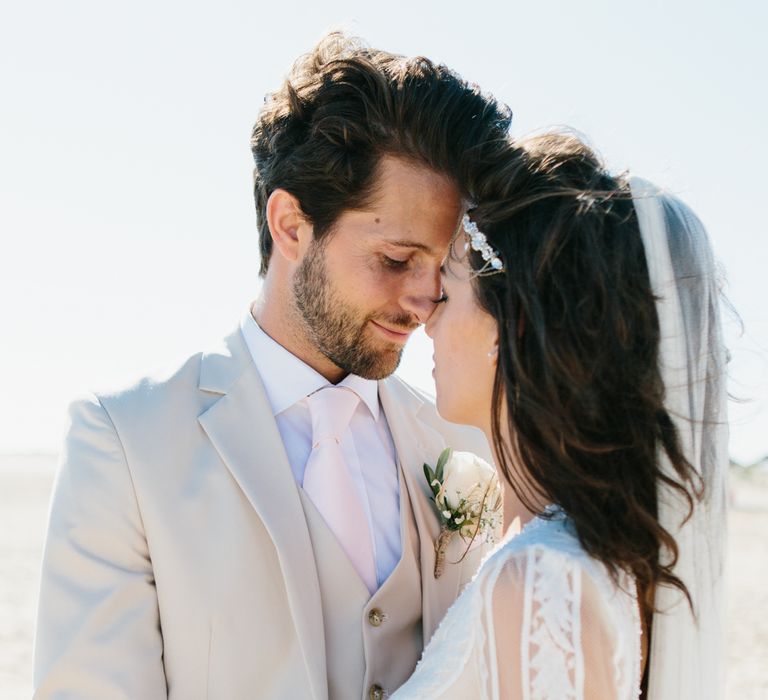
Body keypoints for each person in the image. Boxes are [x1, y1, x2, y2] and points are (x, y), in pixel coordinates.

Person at [32, 34, 515, 699]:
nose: (425, 300)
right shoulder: (124, 443)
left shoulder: (467, 443)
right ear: (291, 225)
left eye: (443, 269)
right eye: (397, 260)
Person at [393, 132, 728, 699]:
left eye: (447, 294)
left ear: (512, 323)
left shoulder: (537, 579)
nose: (426, 317)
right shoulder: (580, 556)